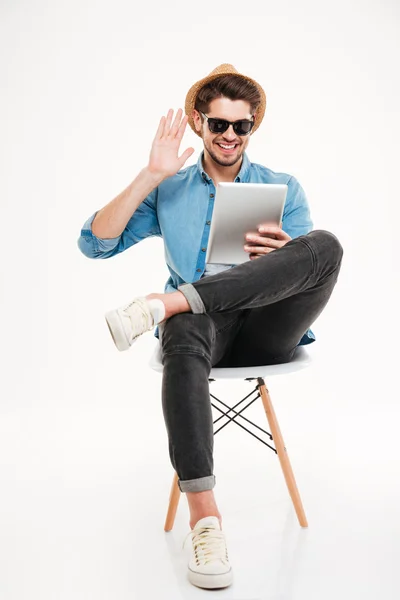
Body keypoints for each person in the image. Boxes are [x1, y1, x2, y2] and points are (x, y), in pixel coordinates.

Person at [77, 63, 343, 590]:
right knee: (184, 330)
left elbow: (308, 268)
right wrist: (150, 176)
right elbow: (95, 243)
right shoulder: (171, 190)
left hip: (269, 327)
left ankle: (166, 302)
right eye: (218, 124)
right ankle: (206, 520)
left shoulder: (282, 187)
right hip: (198, 337)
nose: (228, 136)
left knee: (326, 246)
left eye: (240, 126)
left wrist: (284, 253)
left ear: (252, 128)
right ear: (199, 123)